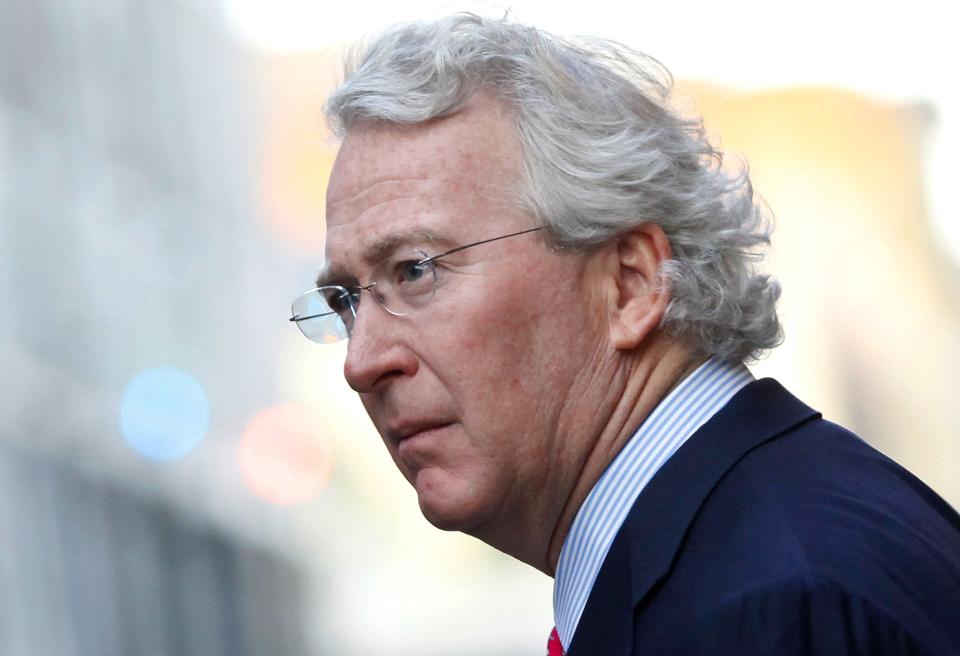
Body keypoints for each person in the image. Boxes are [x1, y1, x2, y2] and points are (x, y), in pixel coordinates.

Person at [289, 13, 960, 655]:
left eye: (415, 271)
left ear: (631, 284)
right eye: (345, 301)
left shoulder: (767, 608)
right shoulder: (756, 548)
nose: (361, 362)